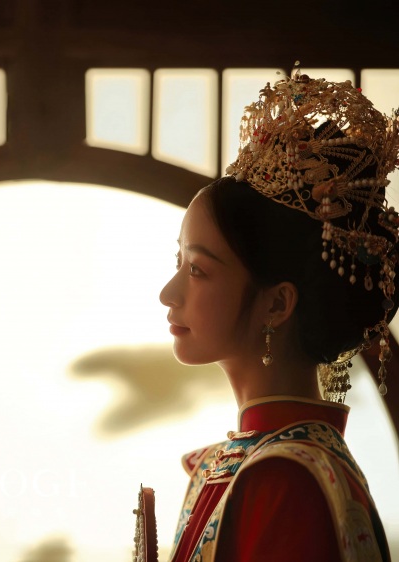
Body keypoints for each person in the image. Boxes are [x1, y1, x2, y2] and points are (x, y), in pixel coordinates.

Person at [144, 68, 398, 561]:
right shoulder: (244, 465)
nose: (168, 294)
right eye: (178, 263)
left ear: (277, 304)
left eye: (197, 270)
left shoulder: (285, 480)